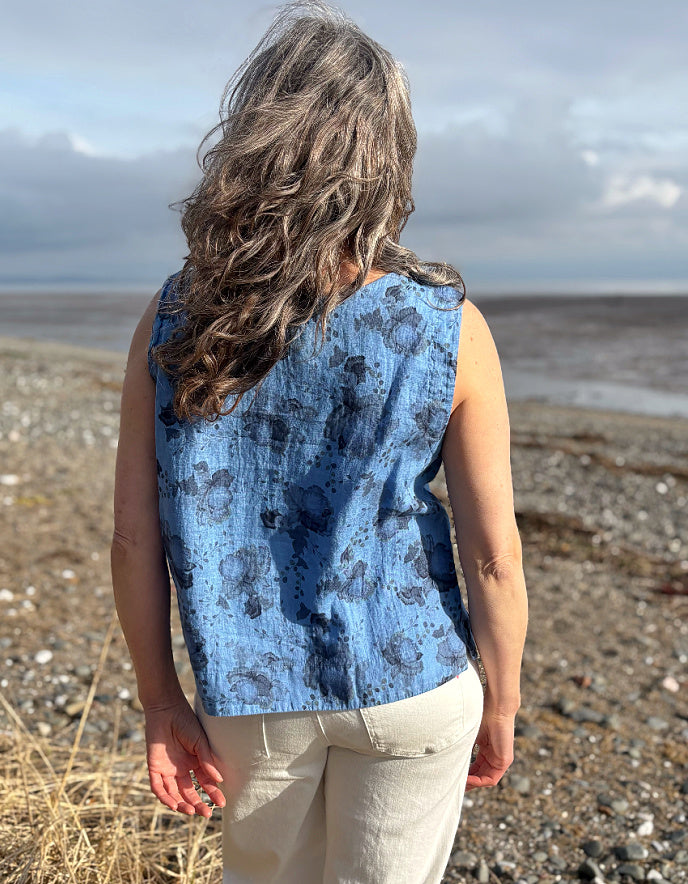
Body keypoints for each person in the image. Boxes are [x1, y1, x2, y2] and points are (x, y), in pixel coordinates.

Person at [111, 2, 528, 882]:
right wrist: (504, 699)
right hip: (416, 676)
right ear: (388, 155)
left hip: (249, 695)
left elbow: (135, 537)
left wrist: (160, 700)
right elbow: (493, 557)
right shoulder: (447, 326)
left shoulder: (178, 316)